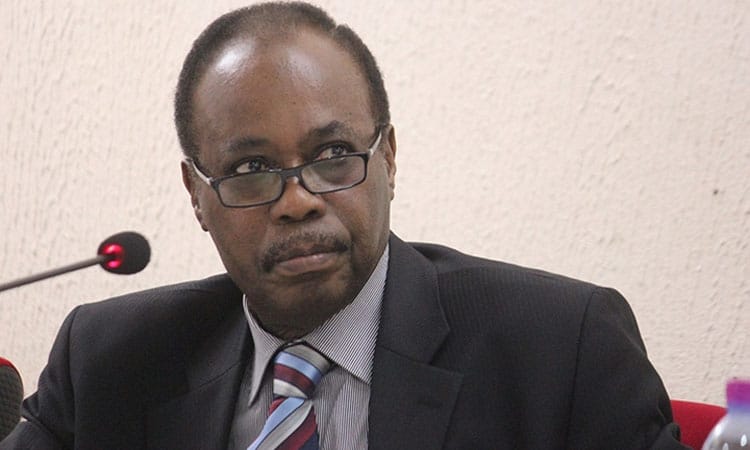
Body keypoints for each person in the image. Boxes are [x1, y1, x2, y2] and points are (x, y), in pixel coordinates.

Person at [1, 2, 688, 449]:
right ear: (197, 195)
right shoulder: (109, 362)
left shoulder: (561, 350)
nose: (298, 201)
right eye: (251, 168)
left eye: (333, 155)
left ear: (387, 158)